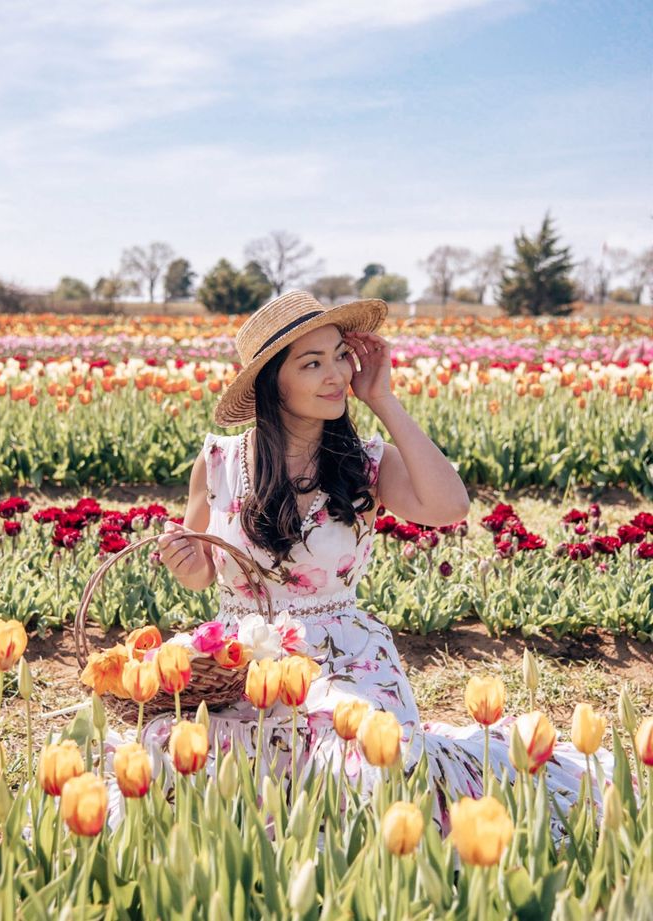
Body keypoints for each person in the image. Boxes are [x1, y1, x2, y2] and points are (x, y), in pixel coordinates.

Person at [116, 290, 608, 831]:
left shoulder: (366, 464)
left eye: (338, 356)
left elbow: (451, 507)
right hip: (242, 670)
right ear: (270, 383)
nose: (336, 376)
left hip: (342, 661)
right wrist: (188, 568)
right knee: (166, 751)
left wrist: (383, 399)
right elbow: (202, 572)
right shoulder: (218, 464)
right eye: (312, 363)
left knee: (358, 762)